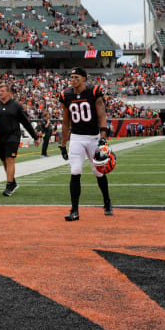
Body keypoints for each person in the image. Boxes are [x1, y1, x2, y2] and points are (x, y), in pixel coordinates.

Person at [58, 67, 113, 222]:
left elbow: (102, 115)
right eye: (71, 77)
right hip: (76, 138)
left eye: (76, 77)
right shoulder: (66, 95)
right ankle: (74, 210)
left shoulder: (94, 92)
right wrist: (63, 145)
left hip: (93, 138)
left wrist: (103, 137)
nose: (73, 80)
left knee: (98, 172)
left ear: (83, 78)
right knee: (75, 171)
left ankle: (107, 202)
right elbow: (66, 122)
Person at [0, 84, 41, 196]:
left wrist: (35, 137)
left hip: (13, 137)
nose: (0, 93)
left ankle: (9, 185)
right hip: (0, 138)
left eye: (2, 91)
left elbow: (25, 122)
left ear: (8, 93)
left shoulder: (16, 105)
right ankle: (13, 183)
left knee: (10, 159)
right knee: (4, 162)